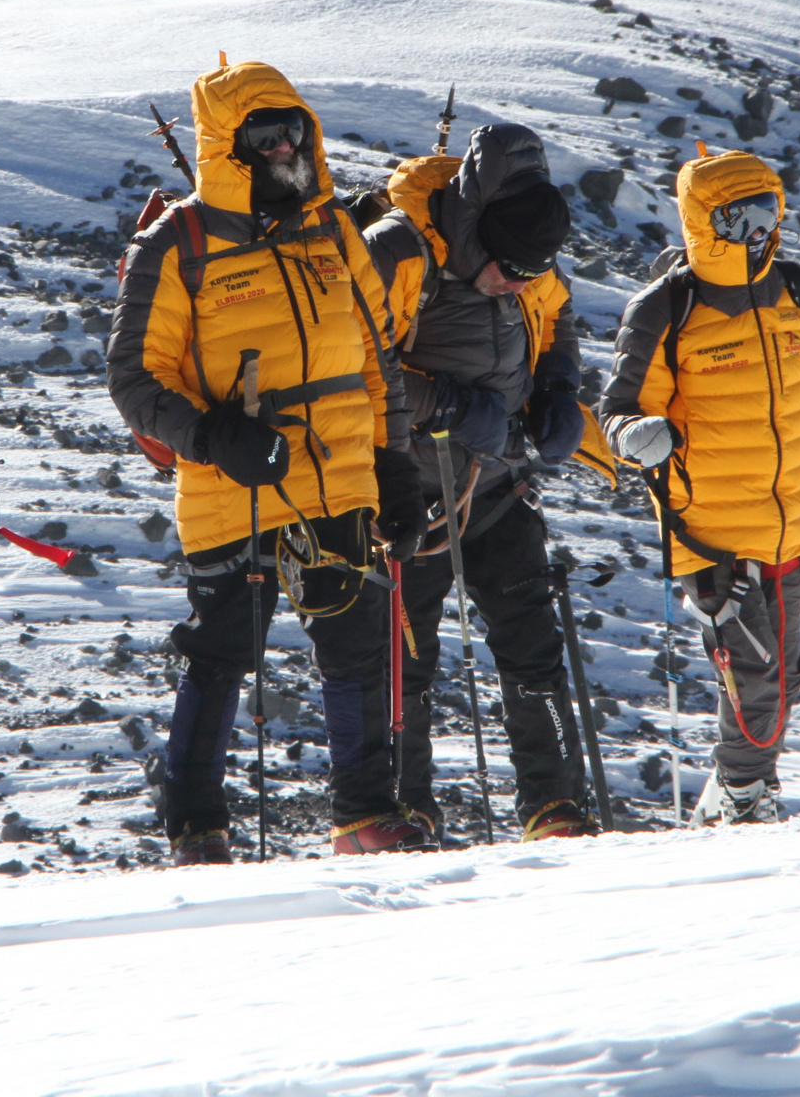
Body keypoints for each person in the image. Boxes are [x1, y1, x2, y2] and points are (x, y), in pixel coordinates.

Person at [108, 60, 432, 863]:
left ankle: (364, 815)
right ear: (228, 146)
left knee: (357, 648)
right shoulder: (175, 244)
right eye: (265, 134)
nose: (287, 144)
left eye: (293, 128)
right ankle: (195, 829)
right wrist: (215, 438)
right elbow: (134, 378)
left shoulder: (331, 230)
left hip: (340, 478)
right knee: (221, 655)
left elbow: (374, 361)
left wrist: (394, 466)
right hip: (232, 488)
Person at [599, 148, 800, 826]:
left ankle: (742, 789)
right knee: (754, 672)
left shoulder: (796, 294)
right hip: (709, 527)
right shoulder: (665, 307)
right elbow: (619, 410)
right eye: (738, 215)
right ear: (702, 220)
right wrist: (635, 436)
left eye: (767, 211)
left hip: (790, 525)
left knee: (786, 672)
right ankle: (744, 797)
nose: (757, 230)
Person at [363, 123, 606, 841]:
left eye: (531, 273)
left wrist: (557, 390)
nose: (519, 285)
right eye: (509, 272)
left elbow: (556, 318)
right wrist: (441, 405)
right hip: (405, 501)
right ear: (477, 235)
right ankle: (405, 811)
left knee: (532, 647)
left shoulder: (525, 246)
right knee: (407, 665)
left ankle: (552, 807)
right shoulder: (398, 251)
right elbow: (348, 362)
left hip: (496, 489)